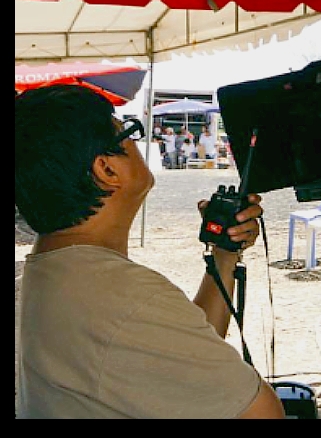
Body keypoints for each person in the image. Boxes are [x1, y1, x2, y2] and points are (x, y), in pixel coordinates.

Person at [14, 84, 285, 419]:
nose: (135, 142)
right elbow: (261, 412)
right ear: (106, 170)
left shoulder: (53, 267)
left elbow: (183, 357)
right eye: (126, 132)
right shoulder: (125, 297)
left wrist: (224, 255)